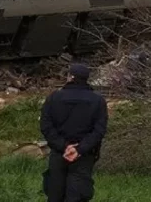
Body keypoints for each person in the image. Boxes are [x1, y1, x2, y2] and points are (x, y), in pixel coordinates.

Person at [41, 63, 108, 202]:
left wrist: (63, 146)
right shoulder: (98, 101)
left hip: (59, 153)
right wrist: (79, 149)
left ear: (70, 77)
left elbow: (46, 126)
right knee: (77, 194)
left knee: (55, 193)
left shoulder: (54, 98)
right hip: (84, 155)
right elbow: (99, 130)